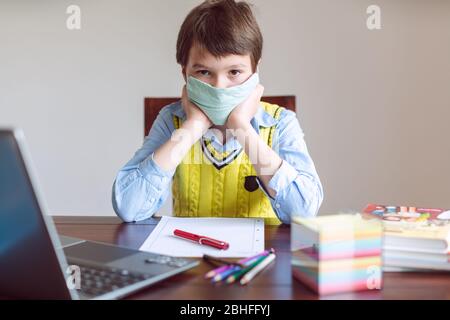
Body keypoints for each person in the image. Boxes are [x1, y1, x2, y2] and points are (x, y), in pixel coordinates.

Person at [112, 0, 323, 225]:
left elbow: (303, 213)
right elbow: (129, 207)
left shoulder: (280, 123)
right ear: (185, 72)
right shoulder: (172, 121)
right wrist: (192, 127)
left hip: (261, 256)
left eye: (234, 72)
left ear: (255, 70)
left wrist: (241, 127)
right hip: (191, 253)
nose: (219, 86)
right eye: (204, 72)